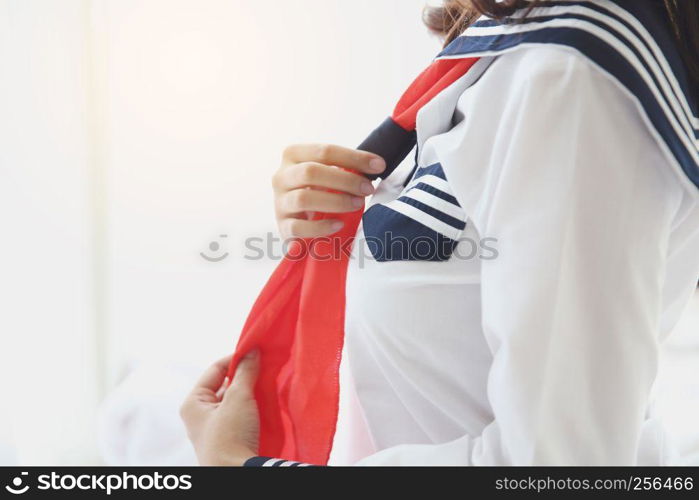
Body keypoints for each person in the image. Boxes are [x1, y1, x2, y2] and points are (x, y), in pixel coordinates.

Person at [181, 0, 699, 466]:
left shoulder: (571, 75)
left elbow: (560, 467)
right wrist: (339, 226)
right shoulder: (508, 56)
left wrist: (242, 472)